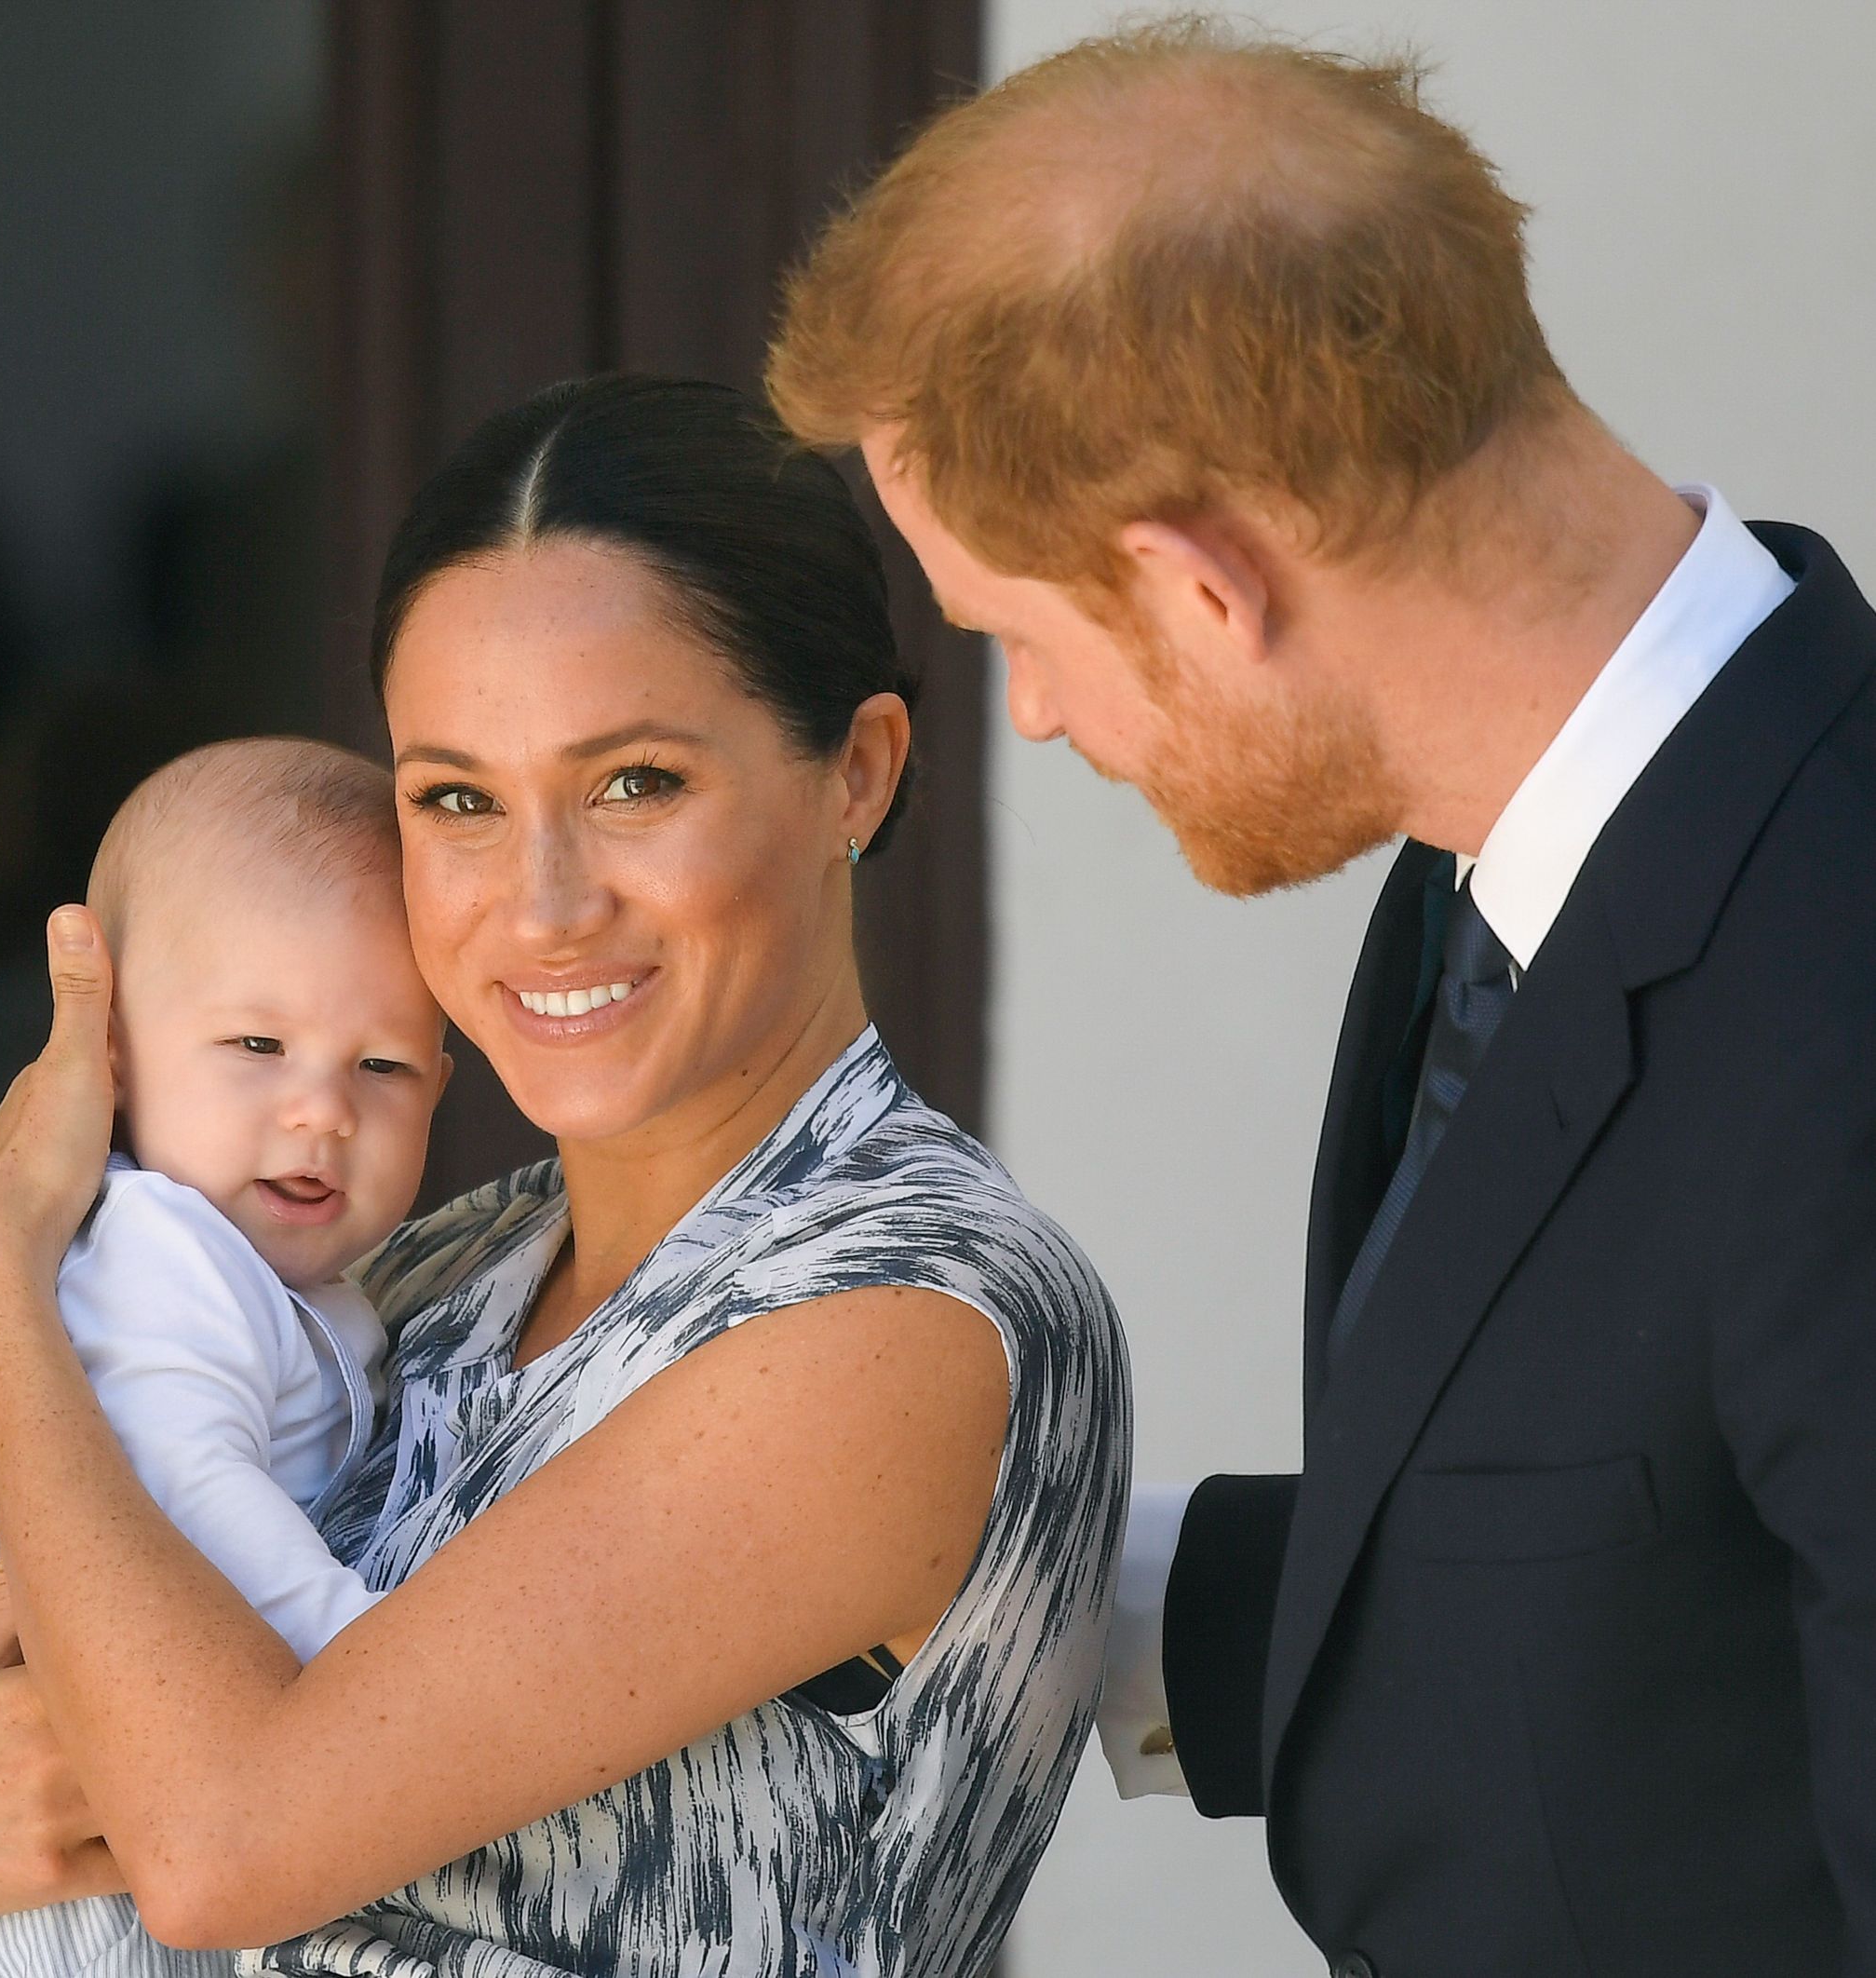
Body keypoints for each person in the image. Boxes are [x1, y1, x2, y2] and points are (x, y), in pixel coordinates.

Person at [767, 20, 1876, 1978]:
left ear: (1203, 586)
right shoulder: (1508, 857)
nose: (1040, 716)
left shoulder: (1836, 988)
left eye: (1016, 635)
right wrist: (954, 1566)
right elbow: (1641, 1596)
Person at [0, 375, 1130, 1978]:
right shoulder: (418, 1275)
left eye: (636, 783)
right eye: (460, 800)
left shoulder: (908, 1309)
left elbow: (214, 1850)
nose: (541, 907)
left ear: (860, 772)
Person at [0, 737, 451, 1976]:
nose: (322, 1110)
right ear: (112, 1055)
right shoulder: (165, 1251)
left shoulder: (302, 1284)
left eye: (383, 1066)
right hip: (26, 1702)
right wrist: (367, 1671)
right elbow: (186, 1488)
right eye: (257, 1046)